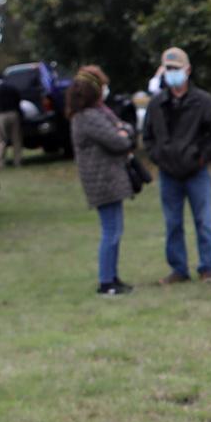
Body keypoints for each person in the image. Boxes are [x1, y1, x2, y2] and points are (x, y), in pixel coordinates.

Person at [144, 46, 211, 282]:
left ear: (187, 70)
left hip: (196, 171)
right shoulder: (157, 104)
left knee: (203, 221)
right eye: (167, 69)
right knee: (172, 223)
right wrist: (158, 157)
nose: (172, 73)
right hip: (169, 173)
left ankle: (207, 267)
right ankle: (179, 269)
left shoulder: (203, 101)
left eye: (176, 69)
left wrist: (201, 157)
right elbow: (147, 137)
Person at [67, 65, 137, 296]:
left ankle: (112, 276)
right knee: (111, 230)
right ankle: (106, 281)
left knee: (115, 229)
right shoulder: (88, 117)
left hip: (107, 179)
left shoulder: (97, 113)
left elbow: (123, 129)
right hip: (102, 180)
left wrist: (123, 131)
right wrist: (123, 134)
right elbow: (118, 140)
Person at [0, 74, 23, 170]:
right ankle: (17, 161)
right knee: (16, 138)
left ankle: (0, 162)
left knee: (1, 139)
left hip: (1, 115)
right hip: (13, 113)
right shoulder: (12, 88)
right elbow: (18, 100)